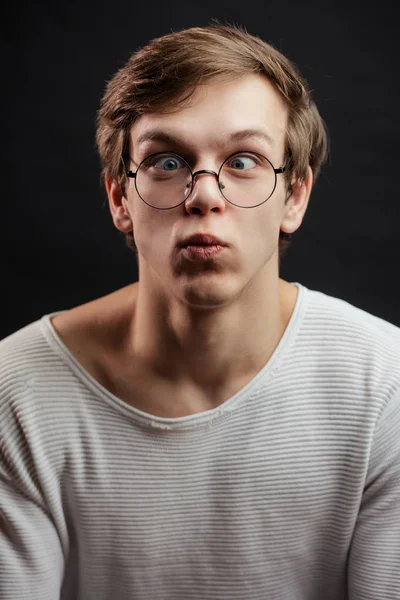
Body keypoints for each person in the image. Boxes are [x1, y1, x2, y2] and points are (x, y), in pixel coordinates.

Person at [1, 23, 399, 600]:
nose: (204, 195)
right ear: (120, 198)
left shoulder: (385, 387)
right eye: (166, 161)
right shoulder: (16, 393)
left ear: (294, 196)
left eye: (243, 160)